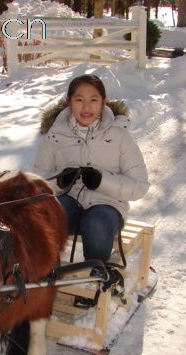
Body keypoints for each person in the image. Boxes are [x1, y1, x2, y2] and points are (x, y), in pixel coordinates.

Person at [33, 74, 149, 307]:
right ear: (69, 103)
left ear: (103, 102)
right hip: (70, 201)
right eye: (79, 100)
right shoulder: (55, 135)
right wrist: (58, 182)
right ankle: (45, 276)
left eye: (93, 100)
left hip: (107, 205)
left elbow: (140, 186)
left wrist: (102, 181)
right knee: (47, 216)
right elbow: (38, 183)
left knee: (96, 223)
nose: (86, 107)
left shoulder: (119, 135)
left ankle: (95, 281)